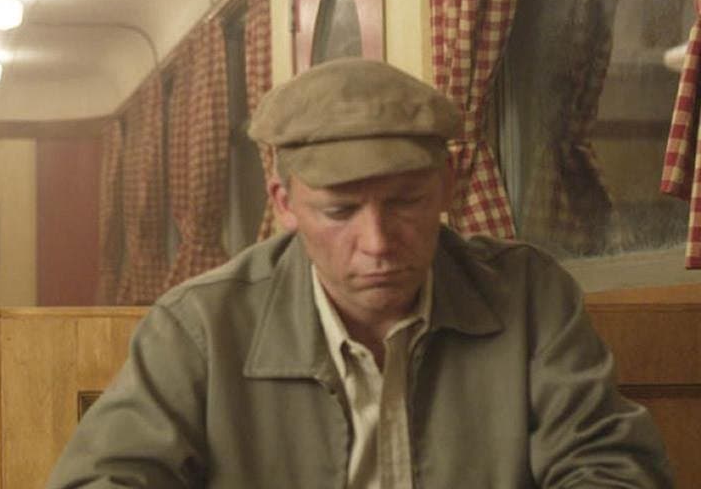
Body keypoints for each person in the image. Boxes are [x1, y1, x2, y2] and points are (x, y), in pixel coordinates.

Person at [47, 58, 672, 488]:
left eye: (405, 202)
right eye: (340, 211)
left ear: (448, 186)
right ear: (285, 204)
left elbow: (611, 466)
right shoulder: (200, 325)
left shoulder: (529, 294)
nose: (377, 243)